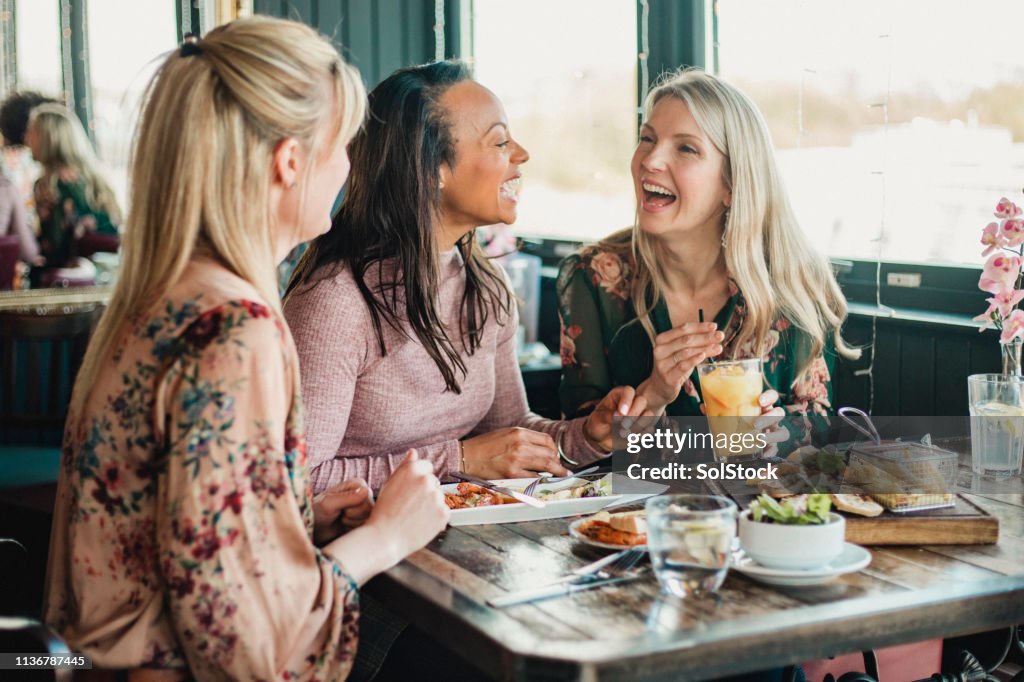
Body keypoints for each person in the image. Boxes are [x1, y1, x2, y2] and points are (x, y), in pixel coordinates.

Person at [44, 17, 449, 681]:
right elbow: (247, 654)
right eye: (344, 146)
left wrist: (289, 517)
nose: (348, 169)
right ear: (291, 161)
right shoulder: (236, 328)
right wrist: (387, 537)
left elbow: (176, 538)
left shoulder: (162, 293)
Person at [284, 61, 648, 496]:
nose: (522, 154)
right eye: (499, 141)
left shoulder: (487, 287)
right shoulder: (336, 301)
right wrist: (459, 459)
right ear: (433, 168)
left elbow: (511, 436)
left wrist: (588, 437)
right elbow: (295, 482)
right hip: (365, 553)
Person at [558, 69, 859, 433]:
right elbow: (579, 444)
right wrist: (653, 395)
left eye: (686, 148)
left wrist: (782, 435)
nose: (650, 161)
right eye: (647, 138)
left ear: (732, 184)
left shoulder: (792, 277)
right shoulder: (594, 277)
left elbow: (819, 419)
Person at [25, 102, 121, 270]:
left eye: (32, 132)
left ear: (49, 138)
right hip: (106, 272)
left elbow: (55, 247)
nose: (26, 139)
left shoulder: (49, 185)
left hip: (68, 280)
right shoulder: (95, 179)